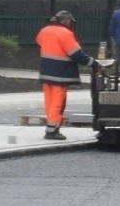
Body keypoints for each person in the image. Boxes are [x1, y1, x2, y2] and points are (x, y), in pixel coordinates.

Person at [35, 10, 112, 140]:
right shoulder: (66, 33)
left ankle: (50, 126)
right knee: (58, 102)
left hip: (46, 72)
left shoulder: (44, 30)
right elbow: (77, 54)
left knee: (49, 101)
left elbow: (39, 43)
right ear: (65, 21)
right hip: (60, 73)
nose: (70, 23)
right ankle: (53, 130)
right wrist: (94, 64)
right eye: (70, 21)